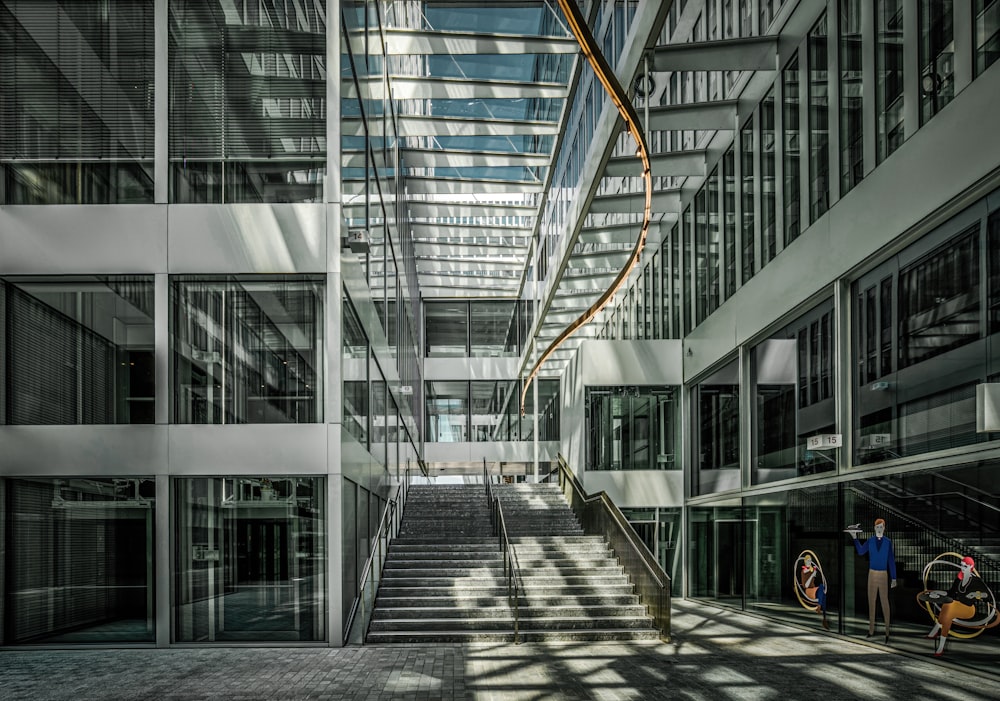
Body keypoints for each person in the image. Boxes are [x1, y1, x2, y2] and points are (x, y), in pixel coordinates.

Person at [925, 556, 991, 657]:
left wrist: (975, 595)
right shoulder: (959, 579)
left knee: (948, 607)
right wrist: (937, 592)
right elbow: (950, 593)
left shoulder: (975, 581)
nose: (962, 568)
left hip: (968, 609)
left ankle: (936, 631)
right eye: (961, 565)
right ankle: (940, 646)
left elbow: (987, 595)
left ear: (971, 567)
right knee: (948, 605)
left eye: (965, 566)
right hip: (956, 606)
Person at [849, 518, 897, 642]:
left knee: (884, 602)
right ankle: (871, 630)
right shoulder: (870, 541)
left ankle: (887, 632)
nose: (879, 529)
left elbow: (891, 560)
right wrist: (854, 537)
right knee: (872, 602)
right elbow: (860, 551)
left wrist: (894, 577)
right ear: (874, 528)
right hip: (872, 574)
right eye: (877, 527)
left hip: (883, 574)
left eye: (881, 527)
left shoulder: (888, 542)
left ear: (884, 528)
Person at [800, 553, 830, 630]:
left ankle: (821, 610)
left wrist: (814, 573)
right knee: (822, 589)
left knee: (823, 592)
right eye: (808, 561)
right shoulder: (803, 571)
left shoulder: (812, 569)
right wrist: (812, 575)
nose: (809, 562)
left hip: (814, 590)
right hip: (808, 591)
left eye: (810, 561)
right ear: (805, 562)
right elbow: (806, 585)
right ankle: (823, 614)